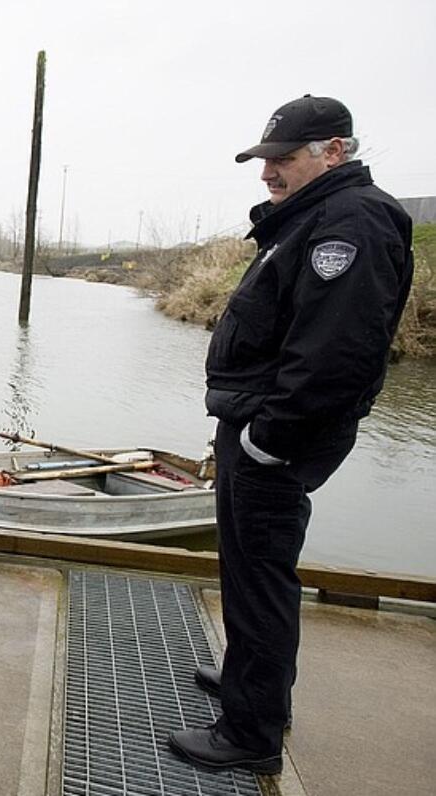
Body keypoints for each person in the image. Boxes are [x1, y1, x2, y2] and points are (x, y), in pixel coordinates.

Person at [168, 96, 414, 775]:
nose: (267, 174)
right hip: (255, 421)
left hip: (274, 435)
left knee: (261, 574)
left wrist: (267, 440)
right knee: (245, 569)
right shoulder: (312, 217)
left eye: (281, 160)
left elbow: (336, 353)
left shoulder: (351, 224)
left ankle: (251, 732)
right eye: (264, 160)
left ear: (334, 152)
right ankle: (253, 683)